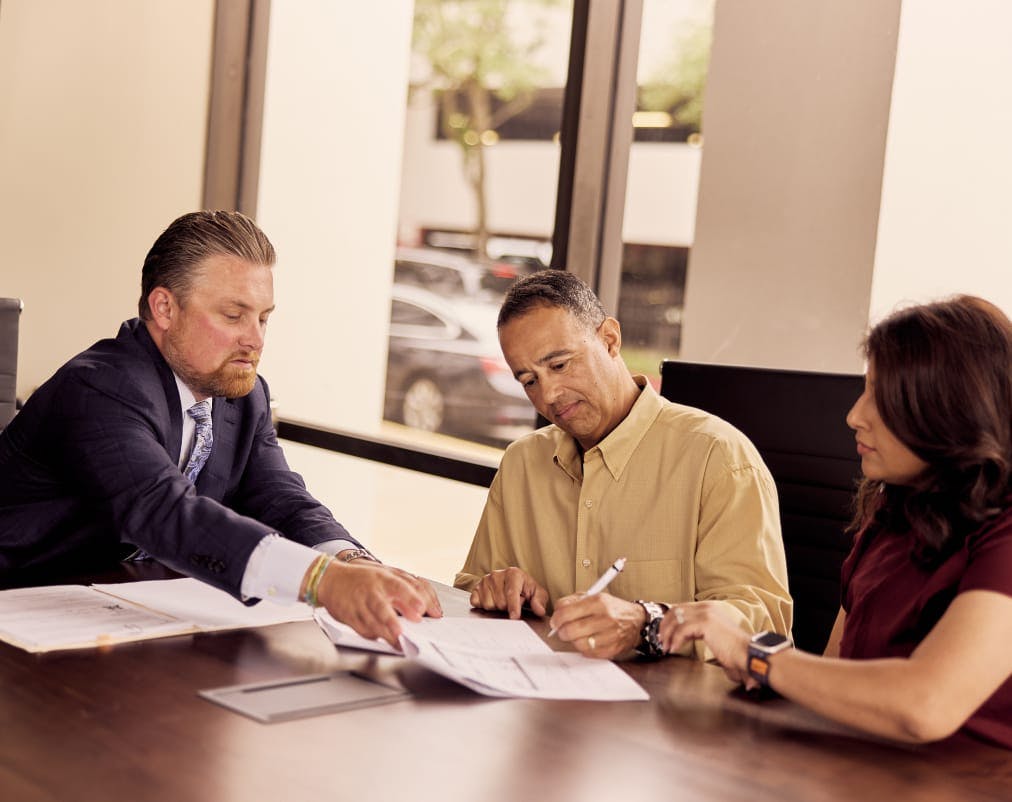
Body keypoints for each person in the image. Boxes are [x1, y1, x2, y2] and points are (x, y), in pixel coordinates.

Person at [0, 210, 440, 646]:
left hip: (122, 616)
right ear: (165, 307)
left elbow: (279, 497)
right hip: (20, 612)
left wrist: (351, 561)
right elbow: (164, 512)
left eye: (263, 318)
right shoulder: (100, 387)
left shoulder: (244, 394)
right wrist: (323, 581)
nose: (256, 340)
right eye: (234, 316)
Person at [660, 295, 1012, 748]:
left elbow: (926, 706)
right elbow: (836, 673)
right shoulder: (894, 512)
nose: (854, 417)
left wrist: (756, 656)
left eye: (882, 398)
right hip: (864, 770)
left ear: (951, 412)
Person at [453, 269, 791, 660]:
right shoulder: (521, 464)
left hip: (672, 713)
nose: (548, 395)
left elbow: (764, 625)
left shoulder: (718, 458)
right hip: (543, 704)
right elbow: (469, 593)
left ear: (609, 340)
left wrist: (646, 623)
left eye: (560, 365)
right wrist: (497, 590)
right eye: (528, 380)